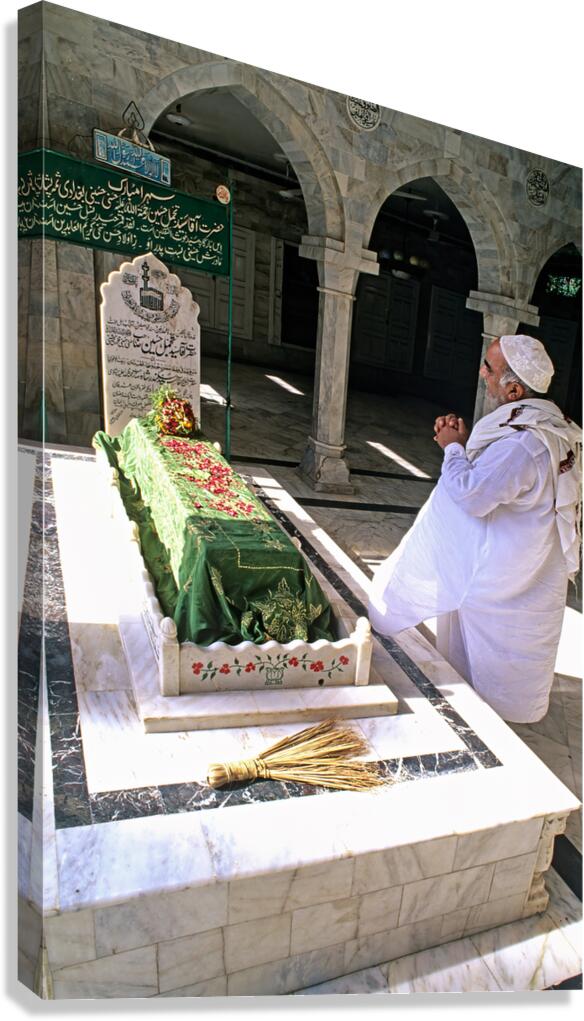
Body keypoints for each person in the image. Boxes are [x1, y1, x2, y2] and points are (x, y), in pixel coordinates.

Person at [368, 335, 582, 723]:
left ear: (514, 389)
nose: (481, 373)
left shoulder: (523, 445)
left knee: (489, 640)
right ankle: (506, 707)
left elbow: (472, 496)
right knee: (520, 643)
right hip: (532, 564)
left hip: (503, 569)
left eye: (489, 367)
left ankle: (481, 715)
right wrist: (463, 445)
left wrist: (452, 448)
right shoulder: (555, 428)